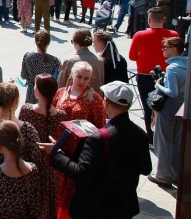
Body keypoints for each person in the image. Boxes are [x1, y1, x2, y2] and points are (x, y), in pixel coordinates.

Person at [39, 81, 152, 219]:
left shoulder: (99, 138)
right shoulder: (140, 134)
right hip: (124, 206)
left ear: (105, 103)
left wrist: (56, 153)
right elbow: (146, 168)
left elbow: (80, 173)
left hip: (95, 208)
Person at [53, 61, 106, 218]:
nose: (82, 81)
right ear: (71, 76)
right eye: (79, 77)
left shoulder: (94, 99)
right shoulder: (60, 93)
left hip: (79, 155)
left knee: (71, 194)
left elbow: (100, 127)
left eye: (87, 78)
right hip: (59, 151)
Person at [19, 74, 67, 219]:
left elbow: (20, 139)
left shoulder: (26, 110)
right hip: (52, 169)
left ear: (38, 91)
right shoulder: (62, 115)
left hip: (30, 167)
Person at [128, 7, 179, 145]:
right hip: (168, 76)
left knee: (148, 107)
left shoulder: (139, 35)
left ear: (149, 20)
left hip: (145, 75)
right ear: (164, 20)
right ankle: (165, 136)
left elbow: (132, 56)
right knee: (167, 106)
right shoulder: (174, 34)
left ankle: (151, 138)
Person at [149, 37, 187, 188]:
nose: (163, 50)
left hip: (169, 108)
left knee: (163, 142)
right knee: (176, 142)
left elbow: (172, 92)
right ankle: (177, 174)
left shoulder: (172, 68)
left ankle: (163, 176)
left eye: (165, 47)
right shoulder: (186, 64)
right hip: (182, 107)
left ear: (173, 49)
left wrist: (158, 85)